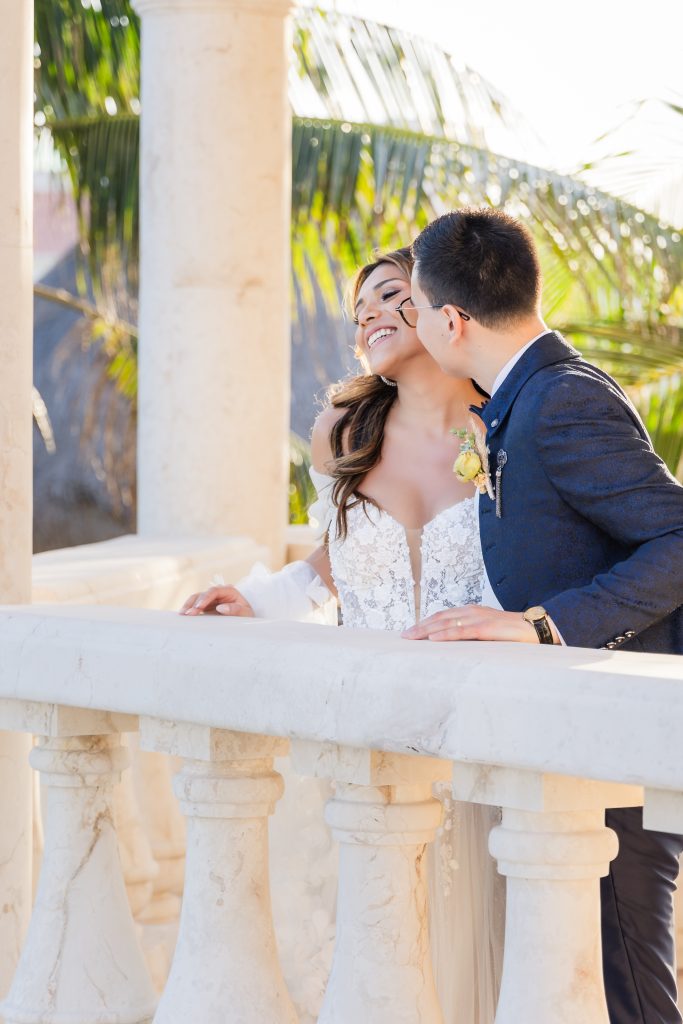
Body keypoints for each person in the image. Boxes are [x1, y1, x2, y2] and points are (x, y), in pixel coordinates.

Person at [180, 247, 505, 1023]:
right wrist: (257, 600)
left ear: (442, 309)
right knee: (376, 944)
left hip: (479, 726)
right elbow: (334, 559)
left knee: (485, 952)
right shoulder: (342, 428)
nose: (368, 315)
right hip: (368, 728)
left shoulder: (506, 423)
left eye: (389, 295)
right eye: (359, 309)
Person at [403, 206, 683, 1024]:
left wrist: (541, 626)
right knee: (600, 971)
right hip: (579, 738)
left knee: (632, 977)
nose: (415, 325)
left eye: (416, 309)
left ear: (452, 319)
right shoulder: (528, 392)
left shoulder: (559, 401)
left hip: (619, 741)